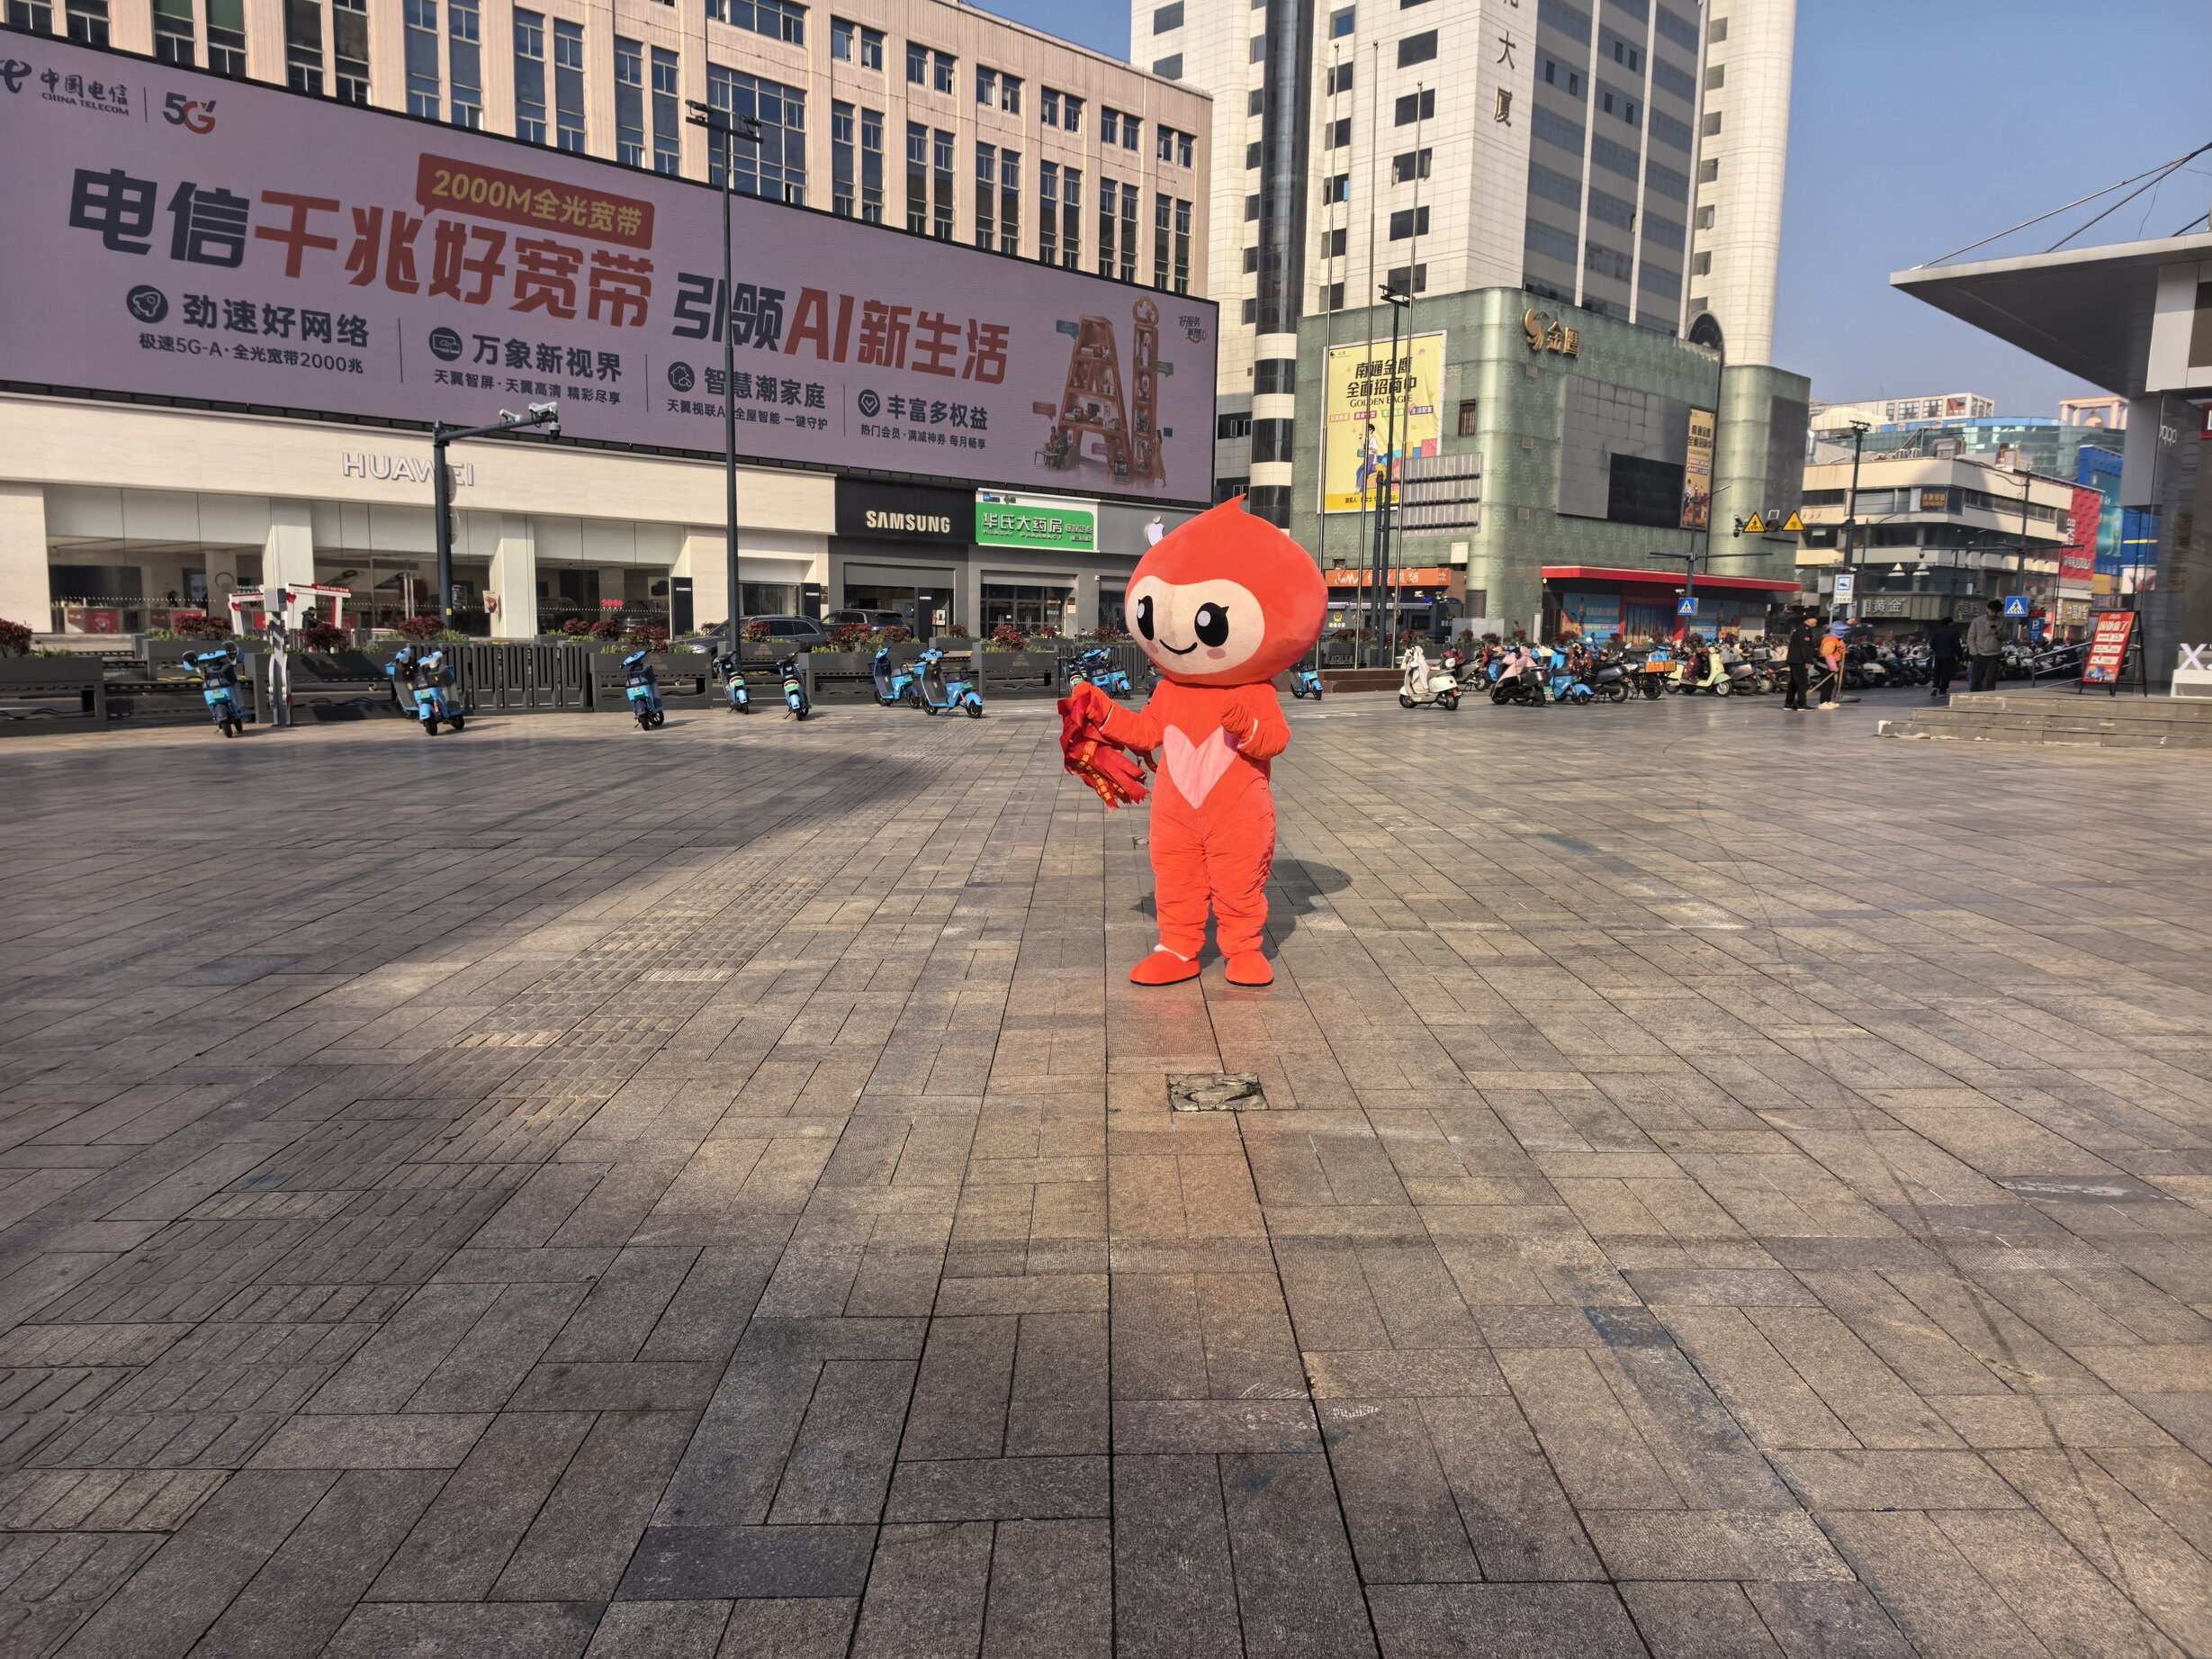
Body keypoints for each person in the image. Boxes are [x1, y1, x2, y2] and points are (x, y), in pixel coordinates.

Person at [1965, 600, 2004, 692]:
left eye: (1996, 612)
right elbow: (1970, 638)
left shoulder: (2001, 621)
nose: (1994, 614)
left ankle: (1989, 696)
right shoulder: (1977, 621)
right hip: (1980, 654)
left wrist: (1998, 633)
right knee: (1976, 679)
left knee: (1991, 680)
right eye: (1992, 611)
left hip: (1994, 654)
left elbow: (2005, 637)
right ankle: (1975, 695)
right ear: (1988, 609)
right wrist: (1974, 653)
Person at [1783, 610, 1818, 711]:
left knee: (1794, 683)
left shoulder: (1803, 629)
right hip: (1799, 660)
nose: (1816, 622)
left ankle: (1789, 704)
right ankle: (1802, 705)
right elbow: (1804, 648)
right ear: (1809, 619)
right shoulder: (1804, 630)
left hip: (1796, 660)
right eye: (1815, 619)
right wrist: (1808, 661)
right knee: (1802, 683)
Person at [1927, 614, 1964, 699]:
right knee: (1946, 674)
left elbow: (1932, 643)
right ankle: (1942, 691)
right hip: (1949, 656)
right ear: (1950, 623)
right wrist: (1960, 656)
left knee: (1937, 672)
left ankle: (1935, 686)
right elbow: (1957, 645)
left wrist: (1936, 650)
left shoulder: (1936, 632)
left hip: (1938, 656)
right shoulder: (1954, 632)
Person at [1817, 618, 1847, 709]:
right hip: (1825, 664)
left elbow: (1839, 652)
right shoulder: (1830, 639)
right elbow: (1827, 654)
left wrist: (1840, 662)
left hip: (1832, 664)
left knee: (1831, 684)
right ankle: (1823, 703)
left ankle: (1828, 701)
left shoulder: (1838, 640)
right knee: (1827, 684)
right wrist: (1834, 667)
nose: (1843, 632)